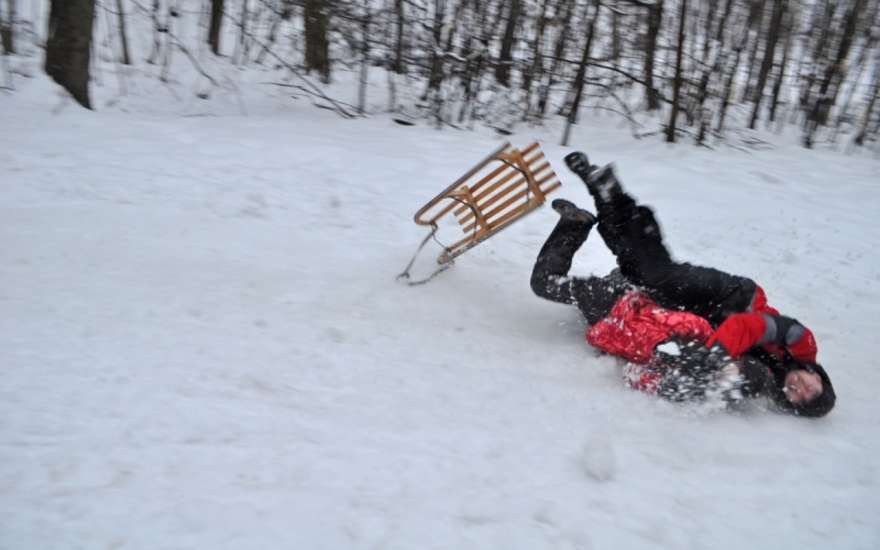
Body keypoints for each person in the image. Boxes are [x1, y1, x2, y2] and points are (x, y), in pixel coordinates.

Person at [529, 152, 835, 417]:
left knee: (639, 271)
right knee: (659, 275)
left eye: (800, 398)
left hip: (697, 318)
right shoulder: (803, 344)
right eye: (812, 388)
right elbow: (751, 326)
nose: (801, 388)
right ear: (818, 377)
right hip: (734, 298)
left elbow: (707, 375)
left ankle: (604, 196)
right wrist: (718, 353)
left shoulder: (764, 380)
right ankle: (612, 195)